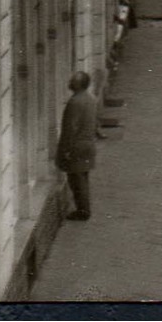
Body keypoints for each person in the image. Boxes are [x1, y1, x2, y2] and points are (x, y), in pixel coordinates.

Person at [55, 71, 98, 221]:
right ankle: (84, 208)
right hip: (88, 145)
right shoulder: (91, 98)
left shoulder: (74, 102)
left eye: (72, 81)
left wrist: (66, 150)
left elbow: (70, 128)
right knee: (83, 178)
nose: (69, 82)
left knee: (76, 180)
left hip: (76, 147)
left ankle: (83, 210)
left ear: (78, 85)